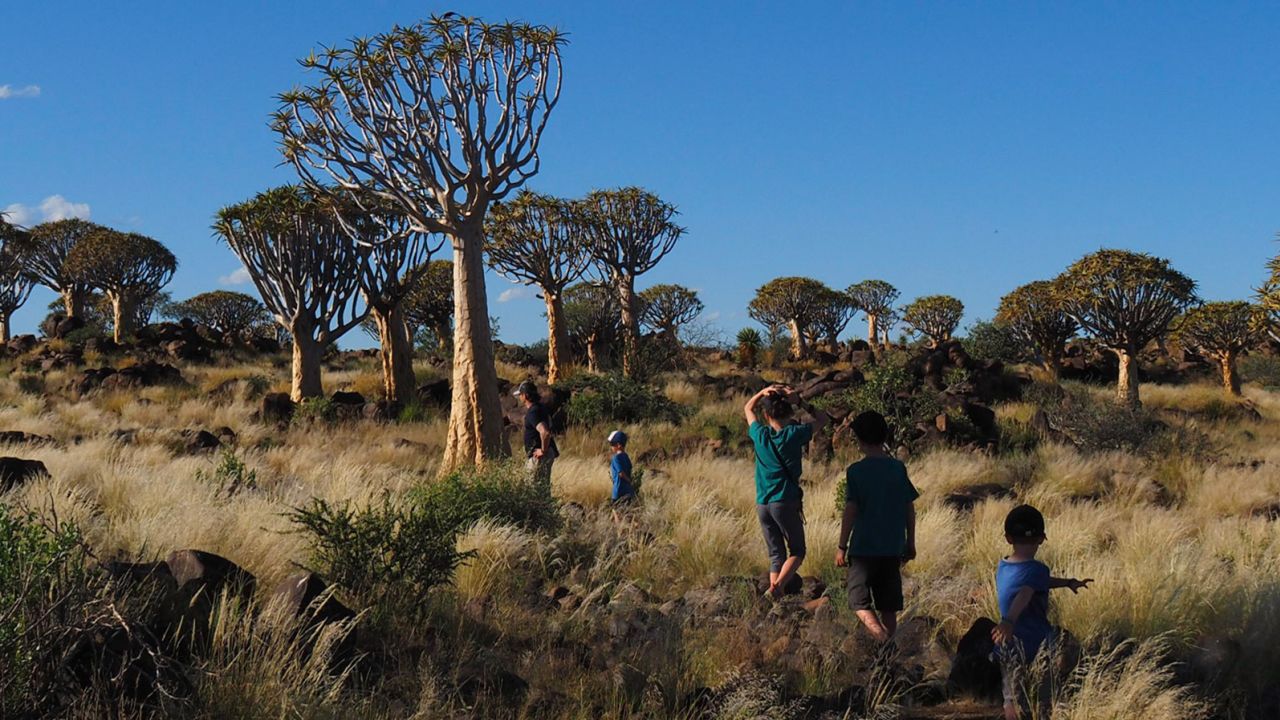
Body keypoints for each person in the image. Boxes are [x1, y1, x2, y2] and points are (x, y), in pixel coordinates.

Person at [991, 504, 1093, 720]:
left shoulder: (1003, 566)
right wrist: (1009, 620)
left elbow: (1036, 584)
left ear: (1008, 538)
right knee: (1044, 698)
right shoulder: (1037, 569)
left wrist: (1067, 582)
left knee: (1011, 699)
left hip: (1007, 644)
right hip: (1038, 645)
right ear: (1041, 538)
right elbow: (1026, 592)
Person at [835, 410, 919, 644]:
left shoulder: (856, 471)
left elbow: (851, 509)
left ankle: (882, 639)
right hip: (892, 546)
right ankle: (887, 653)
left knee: (858, 601)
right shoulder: (897, 469)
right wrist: (910, 541)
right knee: (888, 605)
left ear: (859, 440)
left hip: (863, 548)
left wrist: (842, 546)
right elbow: (908, 506)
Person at [744, 383, 828, 601]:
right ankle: (777, 588)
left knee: (775, 554)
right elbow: (822, 419)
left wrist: (762, 392)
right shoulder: (794, 434)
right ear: (789, 412)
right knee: (798, 551)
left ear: (766, 413)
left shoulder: (760, 435)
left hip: (763, 503)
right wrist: (800, 401)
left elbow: (747, 409)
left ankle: (775, 602)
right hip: (785, 501)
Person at [514, 381, 558, 489]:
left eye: (520, 394)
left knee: (533, 488)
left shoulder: (533, 412)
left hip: (539, 457)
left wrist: (543, 450)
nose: (519, 397)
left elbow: (545, 432)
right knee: (542, 487)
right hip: (545, 454)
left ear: (526, 395)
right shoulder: (541, 407)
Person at [607, 429, 635, 504]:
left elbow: (621, 473)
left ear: (619, 445)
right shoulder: (626, 456)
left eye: (612, 444)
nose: (611, 447)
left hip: (618, 491)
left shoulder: (616, 458)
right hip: (628, 490)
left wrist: (628, 480)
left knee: (617, 512)